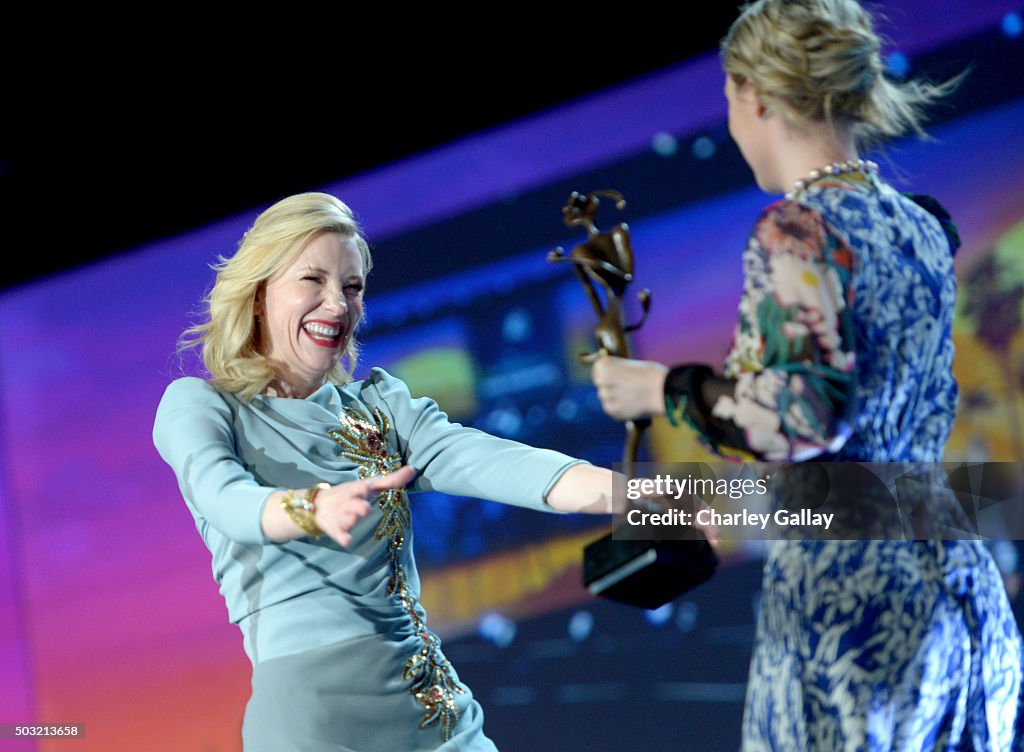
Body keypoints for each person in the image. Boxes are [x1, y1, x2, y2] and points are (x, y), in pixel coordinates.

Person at [589, 0, 1024, 749]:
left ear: (755, 95)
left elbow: (801, 418)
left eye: (729, 102)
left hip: (854, 604)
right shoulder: (921, 224)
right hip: (961, 584)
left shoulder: (796, 227)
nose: (731, 125)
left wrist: (660, 390)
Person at [153, 192, 620, 751]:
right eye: (313, 280)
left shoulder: (382, 408)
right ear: (258, 295)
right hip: (314, 726)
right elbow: (223, 498)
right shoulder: (202, 406)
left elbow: (505, 466)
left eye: (351, 288)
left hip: (430, 706)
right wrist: (311, 506)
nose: (336, 304)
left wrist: (653, 494)